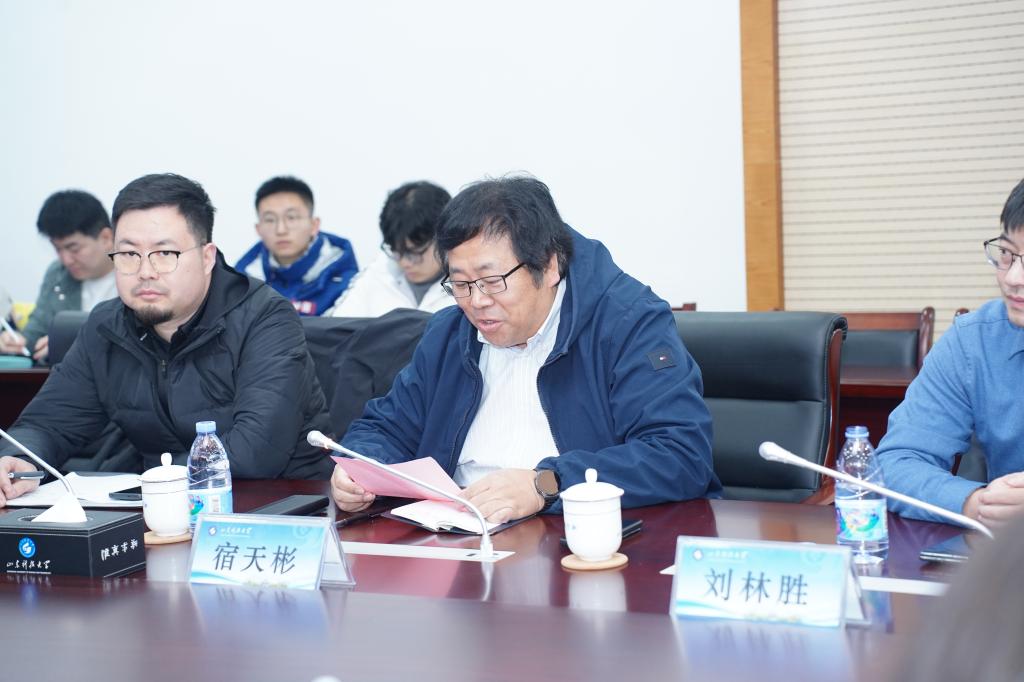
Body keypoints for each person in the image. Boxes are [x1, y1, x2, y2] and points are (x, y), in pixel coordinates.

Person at [330, 176, 719, 523]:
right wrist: (359, 467)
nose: (476, 301)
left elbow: (679, 455)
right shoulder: (449, 333)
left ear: (549, 267)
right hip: (461, 535)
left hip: (583, 535)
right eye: (460, 284)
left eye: (492, 281)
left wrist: (546, 484)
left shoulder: (627, 324)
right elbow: (386, 427)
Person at [0, 173, 334, 507]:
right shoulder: (105, 327)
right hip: (160, 509)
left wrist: (153, 479)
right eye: (129, 254)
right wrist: (19, 461)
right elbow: (48, 423)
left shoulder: (265, 318)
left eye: (164, 253)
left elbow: (255, 452)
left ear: (206, 257)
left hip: (281, 509)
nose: (145, 271)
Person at [877, 177, 1024, 527]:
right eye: (1007, 254)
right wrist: (977, 504)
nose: (1013, 278)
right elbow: (896, 463)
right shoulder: (974, 341)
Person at [0, 190, 116, 362]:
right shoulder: (58, 274)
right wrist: (16, 342)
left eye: (74, 248)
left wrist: (74, 343)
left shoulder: (136, 274)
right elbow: (36, 331)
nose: (66, 260)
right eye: (57, 249)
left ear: (106, 238)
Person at [328, 181, 455, 317]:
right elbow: (338, 323)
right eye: (396, 251)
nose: (404, 263)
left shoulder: (466, 284)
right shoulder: (378, 273)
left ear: (444, 237)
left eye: (413, 253)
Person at [235, 176, 358, 316]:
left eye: (291, 217)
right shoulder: (241, 285)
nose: (281, 230)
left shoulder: (348, 283)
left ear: (314, 225)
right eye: (270, 220)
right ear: (258, 230)